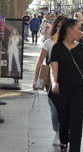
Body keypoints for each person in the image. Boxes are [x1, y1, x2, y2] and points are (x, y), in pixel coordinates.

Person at [49, 18, 83, 152]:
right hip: (62, 92)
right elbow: (54, 70)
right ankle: (64, 142)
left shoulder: (81, 47)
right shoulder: (57, 48)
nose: (80, 32)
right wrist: (54, 83)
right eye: (78, 28)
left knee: (76, 124)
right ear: (69, 30)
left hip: (78, 92)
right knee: (64, 123)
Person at [33, 16, 65, 146]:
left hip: (68, 80)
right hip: (50, 80)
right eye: (59, 26)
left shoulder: (72, 43)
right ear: (55, 27)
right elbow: (40, 62)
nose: (61, 29)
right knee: (53, 109)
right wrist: (36, 80)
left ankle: (62, 132)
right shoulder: (48, 43)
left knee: (65, 109)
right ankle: (57, 131)